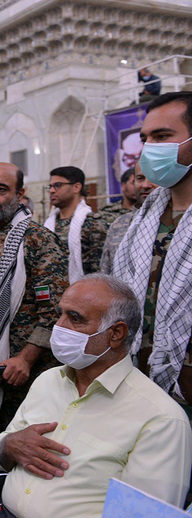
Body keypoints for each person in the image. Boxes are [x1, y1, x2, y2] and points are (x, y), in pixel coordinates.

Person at [0, 275, 192, 518]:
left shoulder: (160, 418)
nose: (59, 327)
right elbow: (2, 449)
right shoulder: (49, 381)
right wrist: (10, 445)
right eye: (59, 314)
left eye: (75, 318)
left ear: (115, 334)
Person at [0, 162, 69, 446]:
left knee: (19, 456)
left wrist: (25, 358)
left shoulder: (37, 240)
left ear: (20, 193)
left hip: (22, 378)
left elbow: (55, 314)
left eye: (1, 189)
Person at [113, 91, 192, 403]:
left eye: (162, 136)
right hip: (140, 378)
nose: (149, 149)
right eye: (145, 138)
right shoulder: (144, 218)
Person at [44, 166, 108, 282]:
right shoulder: (48, 224)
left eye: (57, 185)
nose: (52, 190)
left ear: (76, 187)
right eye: (50, 186)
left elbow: (100, 270)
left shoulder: (93, 224)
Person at [100, 161, 158, 273]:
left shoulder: (179, 222)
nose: (145, 185)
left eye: (153, 178)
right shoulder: (119, 224)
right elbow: (106, 271)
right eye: (140, 178)